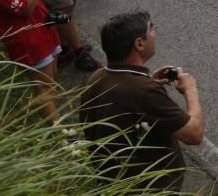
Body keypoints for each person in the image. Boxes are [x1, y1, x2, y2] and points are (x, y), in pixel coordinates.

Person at [81, 10, 205, 193]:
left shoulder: (98, 76)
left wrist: (150, 81)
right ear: (139, 44)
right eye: (151, 30)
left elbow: (124, 105)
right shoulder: (143, 92)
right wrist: (191, 91)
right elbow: (194, 134)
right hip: (150, 187)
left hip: (114, 179)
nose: (155, 33)